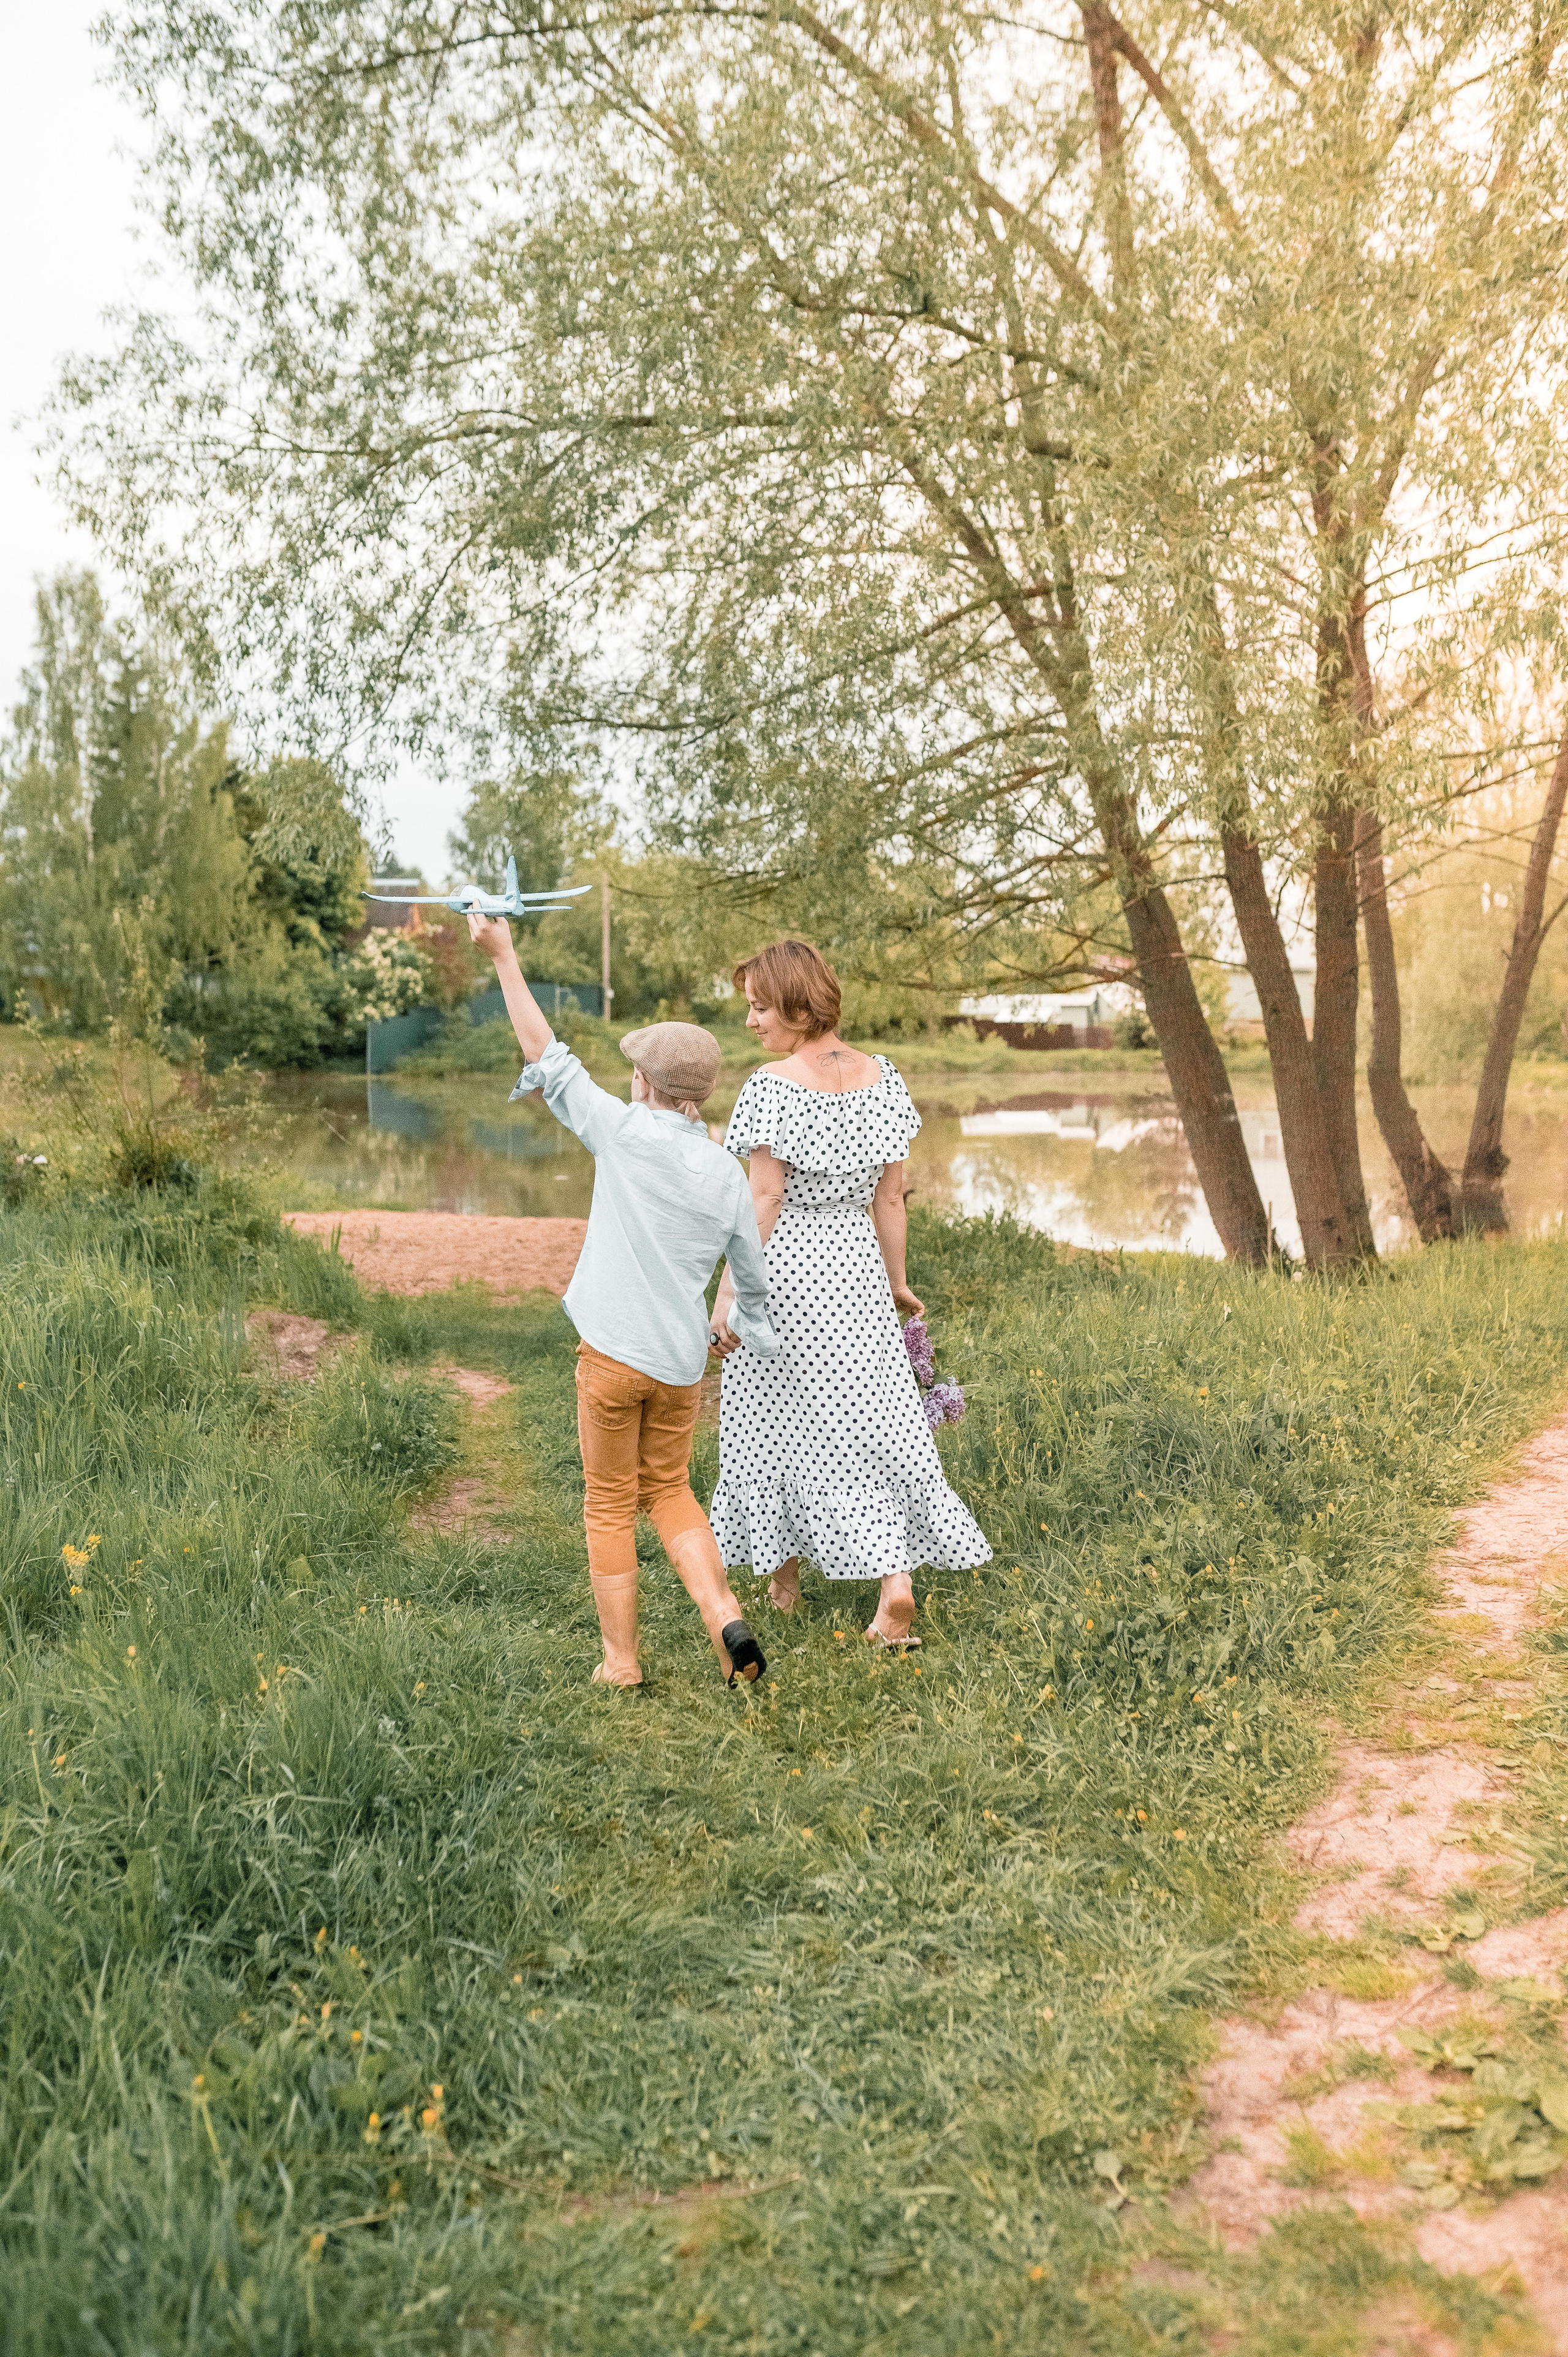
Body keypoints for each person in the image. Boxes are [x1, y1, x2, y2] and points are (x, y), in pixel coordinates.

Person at [469, 912, 780, 1690]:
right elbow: (751, 1273)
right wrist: (739, 1326)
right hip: (679, 1367)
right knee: (669, 1493)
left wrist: (503, 953)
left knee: (609, 1502)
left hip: (610, 1358)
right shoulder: (726, 1173)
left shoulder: (619, 1131)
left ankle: (621, 1662)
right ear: (700, 1093)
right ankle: (723, 1618)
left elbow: (544, 1052)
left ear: (644, 1084)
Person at [707, 939, 990, 1646]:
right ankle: (890, 1584)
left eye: (760, 1007)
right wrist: (895, 1282)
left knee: (776, 1412)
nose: (750, 1022)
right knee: (870, 1419)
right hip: (856, 1271)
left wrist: (728, 1294)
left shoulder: (771, 1084)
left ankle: (784, 1573)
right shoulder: (885, 1078)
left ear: (799, 1007)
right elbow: (890, 1199)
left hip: (789, 1270)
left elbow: (765, 1195)